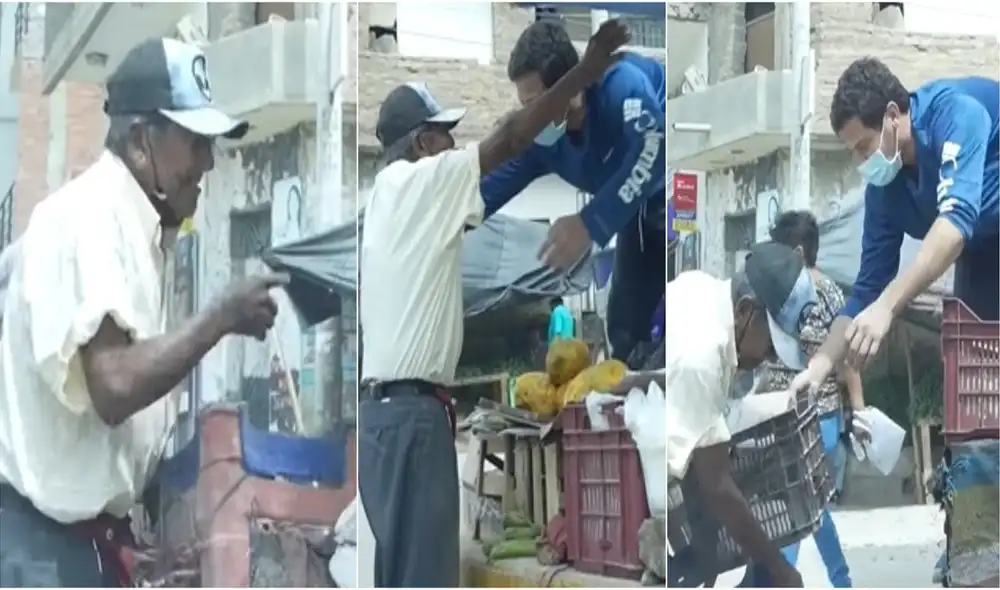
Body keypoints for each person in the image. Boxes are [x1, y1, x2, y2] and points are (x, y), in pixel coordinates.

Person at [0, 38, 287, 587]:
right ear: (139, 143)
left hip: (73, 545)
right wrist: (219, 318)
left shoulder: (131, 227)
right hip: (43, 554)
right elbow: (112, 383)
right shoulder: (91, 218)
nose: (207, 161)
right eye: (194, 141)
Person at [357, 21, 630, 588]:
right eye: (443, 135)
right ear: (419, 144)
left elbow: (505, 171)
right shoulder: (418, 183)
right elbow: (507, 140)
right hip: (412, 419)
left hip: (385, 419)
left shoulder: (387, 202)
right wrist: (585, 70)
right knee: (426, 578)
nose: (453, 146)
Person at [794, 58, 998, 380]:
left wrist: (887, 307)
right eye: (853, 152)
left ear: (892, 116)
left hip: (975, 234)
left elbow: (954, 225)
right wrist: (818, 367)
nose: (861, 161)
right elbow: (866, 290)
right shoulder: (884, 189)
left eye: (864, 146)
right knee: (977, 359)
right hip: (984, 250)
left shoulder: (958, 115)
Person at [480, 21, 666, 365]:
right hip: (629, 217)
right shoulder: (542, 142)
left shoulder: (622, 84)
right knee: (625, 336)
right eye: (525, 106)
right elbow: (482, 195)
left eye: (537, 103)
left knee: (670, 327)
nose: (531, 116)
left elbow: (652, 149)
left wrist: (589, 223)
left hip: (671, 200)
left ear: (572, 88)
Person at [658, 240, 827, 588]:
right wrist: (781, 571)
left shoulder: (701, 289)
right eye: (769, 345)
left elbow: (703, 463)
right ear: (744, 310)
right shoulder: (702, 357)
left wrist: (711, 560)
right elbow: (716, 484)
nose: (767, 358)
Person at [738, 211, 868, 588]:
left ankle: (776, 579)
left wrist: (857, 412)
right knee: (809, 505)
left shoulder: (825, 293)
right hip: (771, 416)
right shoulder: (770, 293)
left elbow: (846, 359)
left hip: (816, 417)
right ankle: (839, 579)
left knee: (792, 504)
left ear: (797, 250)